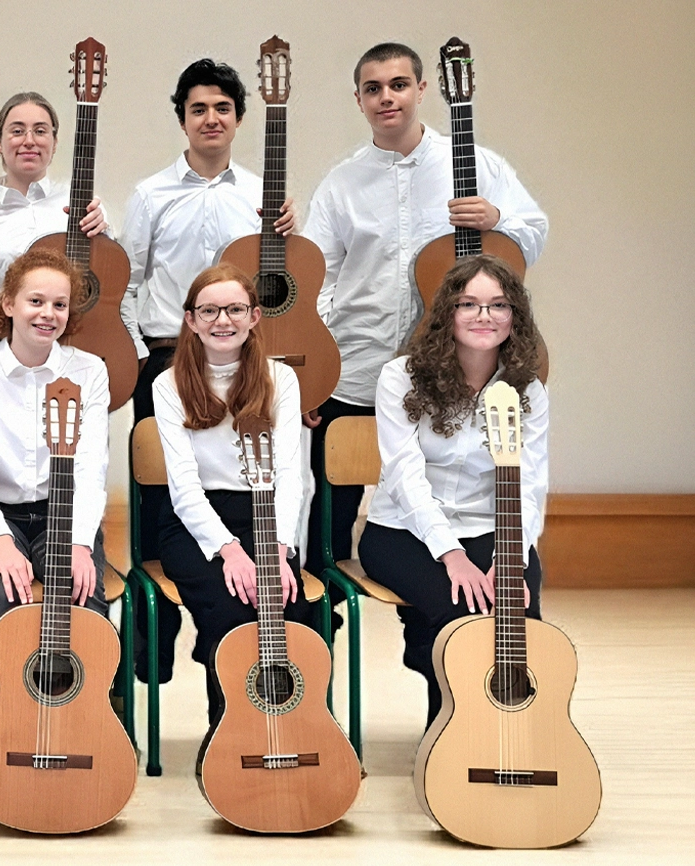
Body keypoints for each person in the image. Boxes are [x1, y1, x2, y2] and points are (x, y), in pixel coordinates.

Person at [302, 42, 548, 575]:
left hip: (454, 378)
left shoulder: (477, 165)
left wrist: (497, 216)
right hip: (357, 368)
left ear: (421, 89)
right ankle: (316, 639)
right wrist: (317, 368)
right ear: (359, 99)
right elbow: (315, 276)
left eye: (397, 85)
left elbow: (531, 235)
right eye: (373, 89)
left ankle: (437, 627)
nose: (386, 97)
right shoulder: (341, 183)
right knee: (328, 520)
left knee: (446, 510)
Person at [118, 59, 295, 568]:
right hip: (168, 358)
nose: (210, 118)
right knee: (159, 490)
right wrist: (137, 356)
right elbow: (125, 283)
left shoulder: (265, 197)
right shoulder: (151, 195)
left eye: (222, 108)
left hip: (247, 360)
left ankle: (264, 583)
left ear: (239, 118)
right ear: (183, 120)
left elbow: (286, 287)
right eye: (198, 109)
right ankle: (153, 640)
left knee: (254, 477)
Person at [357, 254, 547, 725]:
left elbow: (531, 481)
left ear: (514, 317)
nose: (484, 316)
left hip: (491, 528)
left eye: (498, 305)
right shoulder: (401, 377)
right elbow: (404, 476)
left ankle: (517, 737)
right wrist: (451, 554)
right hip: (403, 531)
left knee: (522, 628)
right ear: (446, 314)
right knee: (461, 617)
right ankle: (452, 740)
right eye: (469, 304)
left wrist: (512, 557)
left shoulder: (529, 390)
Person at [146, 263, 317, 734]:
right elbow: (183, 486)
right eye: (210, 310)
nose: (223, 321)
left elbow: (289, 476)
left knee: (290, 607)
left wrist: (279, 552)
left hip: (264, 515)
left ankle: (302, 731)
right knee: (230, 604)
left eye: (235, 309)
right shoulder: (169, 384)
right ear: (191, 320)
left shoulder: (280, 380)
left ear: (255, 317)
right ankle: (229, 734)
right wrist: (230, 552)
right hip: (196, 523)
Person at [0, 248, 110, 712]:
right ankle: (1, 722)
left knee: (83, 594)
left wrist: (80, 544)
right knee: (3, 595)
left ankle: (84, 718)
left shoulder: (89, 371)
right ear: (8, 305)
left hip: (65, 514)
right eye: (36, 301)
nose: (48, 314)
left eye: (60, 305)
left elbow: (92, 467)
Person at [0, 91, 107, 381]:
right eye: (17, 131)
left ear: (54, 144)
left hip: (71, 350)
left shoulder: (85, 207)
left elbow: (110, 289)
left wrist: (105, 234)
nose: (29, 140)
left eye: (40, 131)